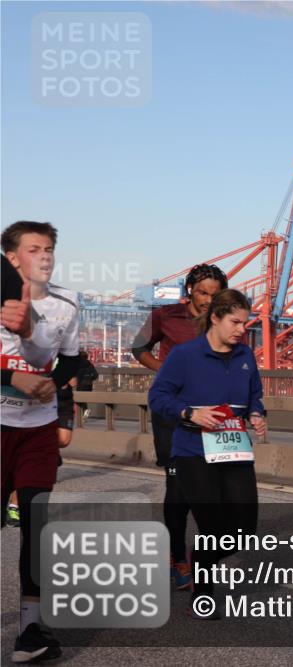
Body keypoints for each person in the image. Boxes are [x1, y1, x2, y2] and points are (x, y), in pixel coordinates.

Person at [148, 288, 266, 617]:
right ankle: (203, 592)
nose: (242, 329)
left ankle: (198, 560)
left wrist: (257, 414)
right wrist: (189, 413)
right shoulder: (185, 356)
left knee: (243, 531)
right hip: (193, 451)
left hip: (235, 450)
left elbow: (255, 395)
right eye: (235, 322)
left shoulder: (245, 357)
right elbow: (157, 397)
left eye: (245, 323)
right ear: (215, 318)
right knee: (212, 526)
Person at [2, 221, 82, 663]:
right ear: (12, 258)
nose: (45, 257)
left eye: (50, 248)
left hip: (37, 430)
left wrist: (53, 382)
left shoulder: (68, 306)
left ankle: (30, 630)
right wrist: (10, 377)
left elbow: (71, 360)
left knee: (36, 524)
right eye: (35, 249)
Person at [132, 264, 227, 590]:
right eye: (203, 293)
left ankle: (198, 556)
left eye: (215, 295)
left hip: (213, 415)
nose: (207, 300)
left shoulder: (224, 322)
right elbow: (138, 348)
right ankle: (178, 560)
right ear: (189, 290)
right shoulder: (165, 315)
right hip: (172, 413)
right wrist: (165, 371)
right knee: (178, 488)